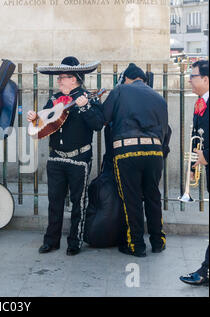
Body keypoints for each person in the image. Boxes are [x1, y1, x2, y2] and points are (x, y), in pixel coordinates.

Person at [27, 56, 105, 256]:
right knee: (54, 202)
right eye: (59, 77)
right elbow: (44, 124)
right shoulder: (54, 99)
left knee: (78, 202)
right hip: (56, 158)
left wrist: (85, 106)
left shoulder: (89, 97)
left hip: (79, 159)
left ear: (75, 79)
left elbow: (98, 125)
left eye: (64, 77)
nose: (60, 81)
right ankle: (51, 241)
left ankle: (75, 241)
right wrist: (35, 118)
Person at [102, 63, 171, 257]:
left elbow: (103, 119)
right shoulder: (159, 98)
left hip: (127, 151)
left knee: (131, 198)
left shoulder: (120, 90)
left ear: (127, 78)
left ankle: (136, 245)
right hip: (155, 152)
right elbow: (166, 130)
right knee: (153, 196)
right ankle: (158, 241)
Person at [179, 60, 208, 286]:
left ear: (206, 79)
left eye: (193, 76)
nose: (189, 79)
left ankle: (205, 271)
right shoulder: (200, 103)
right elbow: (196, 140)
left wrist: (206, 155)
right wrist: (192, 167)